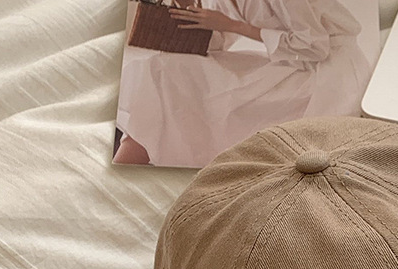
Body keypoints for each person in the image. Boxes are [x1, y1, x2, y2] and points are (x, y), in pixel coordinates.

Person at [114, 0, 370, 167]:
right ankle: (127, 162)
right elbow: (218, 44)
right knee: (166, 72)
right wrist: (191, 9)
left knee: (185, 87)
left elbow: (314, 46)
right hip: (290, 63)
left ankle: (129, 164)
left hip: (324, 73)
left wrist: (233, 25)